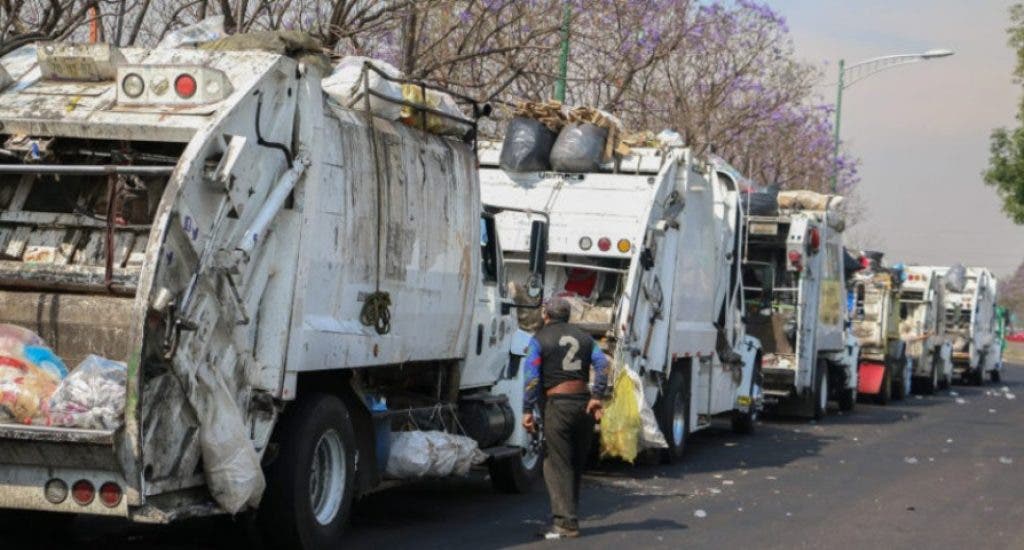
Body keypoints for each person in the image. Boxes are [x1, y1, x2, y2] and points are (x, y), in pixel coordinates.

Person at [521, 296, 609, 539]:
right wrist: (597, 395)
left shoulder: (539, 340)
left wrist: (528, 410)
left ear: (546, 316)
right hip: (584, 405)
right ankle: (569, 516)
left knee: (556, 464)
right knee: (575, 463)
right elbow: (602, 365)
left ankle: (565, 524)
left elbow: (531, 377)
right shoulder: (584, 338)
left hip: (557, 406)